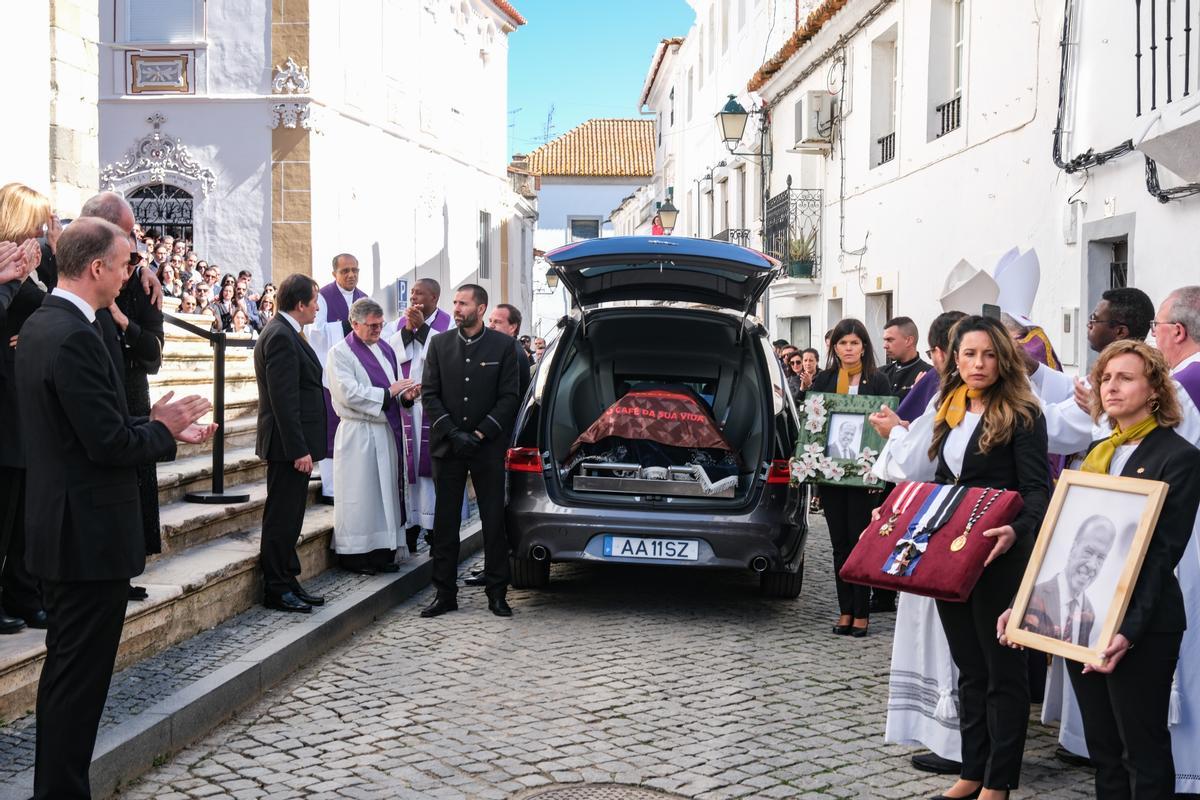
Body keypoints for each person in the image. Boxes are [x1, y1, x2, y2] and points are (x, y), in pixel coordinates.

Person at [18, 217, 214, 800]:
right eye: (127, 262)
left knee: (70, 676)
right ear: (98, 267)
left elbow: (88, 429)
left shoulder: (43, 323)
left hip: (65, 526)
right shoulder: (74, 334)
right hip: (85, 535)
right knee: (78, 681)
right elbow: (105, 445)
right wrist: (162, 428)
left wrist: (150, 425)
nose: (133, 273)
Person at [1002, 339, 1200, 799]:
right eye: (1105, 378)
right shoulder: (1094, 453)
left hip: (1141, 627)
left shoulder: (1179, 457)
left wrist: (1126, 632)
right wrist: (1022, 604)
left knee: (1142, 751)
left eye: (1125, 378)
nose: (1110, 387)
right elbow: (1059, 544)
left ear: (1155, 391)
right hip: (1081, 622)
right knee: (1104, 751)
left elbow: (1161, 555)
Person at [921, 315, 1049, 800]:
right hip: (951, 553)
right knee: (969, 668)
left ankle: (999, 782)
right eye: (970, 354)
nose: (979, 363)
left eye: (989, 354)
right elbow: (944, 482)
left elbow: (1037, 490)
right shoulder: (948, 409)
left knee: (1003, 672)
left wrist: (1015, 532)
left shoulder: (1024, 413)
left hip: (999, 555)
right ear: (954, 359)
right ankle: (971, 772)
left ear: (1004, 359)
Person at [870, 309, 969, 777]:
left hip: (946, 520)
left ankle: (954, 739)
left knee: (943, 636)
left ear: (937, 353)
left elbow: (912, 465)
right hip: (968, 516)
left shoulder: (950, 395)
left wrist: (893, 434)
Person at [80, 191, 167, 599]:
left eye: (135, 256)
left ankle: (129, 565)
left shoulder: (142, 286)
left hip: (132, 387)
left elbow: (153, 352)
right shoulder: (88, 269)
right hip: (99, 380)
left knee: (137, 481)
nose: (132, 260)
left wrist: (123, 322)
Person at [420, 284, 520, 618]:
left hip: (487, 447)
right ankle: (444, 593)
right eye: (456, 303)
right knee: (445, 522)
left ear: (481, 308)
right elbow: (430, 394)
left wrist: (480, 432)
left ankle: (497, 592)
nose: (457, 308)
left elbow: (509, 397)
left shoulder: (504, 346)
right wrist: (453, 432)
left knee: (494, 521)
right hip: (448, 446)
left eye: (463, 303)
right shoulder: (439, 343)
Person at [808, 318, 893, 637]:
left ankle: (862, 612)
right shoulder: (825, 379)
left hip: (865, 478)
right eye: (843, 343)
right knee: (839, 545)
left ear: (864, 347)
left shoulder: (878, 380)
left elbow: (886, 432)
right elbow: (815, 429)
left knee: (861, 543)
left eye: (854, 343)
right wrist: (814, 476)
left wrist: (879, 476)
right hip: (831, 477)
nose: (848, 348)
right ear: (834, 347)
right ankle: (845, 610)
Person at [327, 298, 420, 575]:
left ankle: (382, 552)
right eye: (372, 325)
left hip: (385, 431)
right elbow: (348, 392)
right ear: (354, 324)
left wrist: (406, 397)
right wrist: (389, 393)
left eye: (380, 324)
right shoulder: (340, 353)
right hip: (358, 434)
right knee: (361, 496)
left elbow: (393, 390)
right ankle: (355, 556)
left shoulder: (386, 349)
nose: (378, 329)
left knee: (385, 496)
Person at [0, 183, 57, 634]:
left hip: (25, 400)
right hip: (3, 400)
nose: (41, 231)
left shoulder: (31, 262)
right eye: (37, 222)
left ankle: (22, 591)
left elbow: (45, 310)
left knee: (23, 513)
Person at [254, 274, 329, 613]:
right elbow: (284, 399)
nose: (317, 307)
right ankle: (276, 586)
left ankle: (288, 579)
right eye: (314, 301)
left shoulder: (287, 331)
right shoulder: (281, 336)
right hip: (287, 447)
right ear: (300, 304)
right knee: (282, 518)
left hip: (292, 444)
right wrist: (299, 448)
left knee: (291, 516)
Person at [388, 278, 455, 554]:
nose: (414, 299)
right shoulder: (399, 323)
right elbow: (390, 351)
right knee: (409, 468)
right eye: (412, 293)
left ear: (435, 298)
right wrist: (408, 331)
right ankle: (412, 525)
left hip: (433, 407)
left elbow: (448, 353)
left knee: (430, 471)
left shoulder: (448, 324)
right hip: (406, 406)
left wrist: (423, 329)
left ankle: (435, 528)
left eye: (420, 294)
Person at [307, 253, 368, 506]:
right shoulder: (323, 297)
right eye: (345, 271)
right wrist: (344, 327)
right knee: (332, 429)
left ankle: (351, 483)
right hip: (329, 374)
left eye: (355, 270)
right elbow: (313, 331)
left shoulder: (363, 298)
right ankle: (331, 488)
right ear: (334, 274)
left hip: (356, 374)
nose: (351, 275)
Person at [1020, 516, 1114, 644]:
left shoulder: (1089, 612)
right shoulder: (1034, 596)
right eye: (1088, 551)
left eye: (1101, 557)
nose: (1092, 565)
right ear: (1073, 549)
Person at [881, 316, 932, 400]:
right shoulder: (880, 374)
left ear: (908, 341)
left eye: (890, 340)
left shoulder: (929, 374)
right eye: (885, 340)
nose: (885, 346)